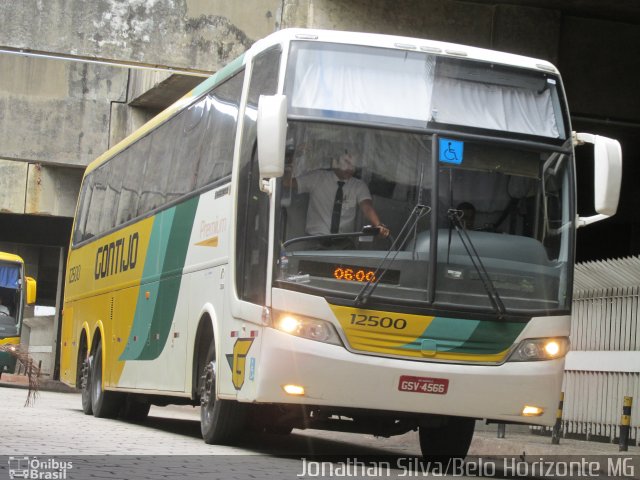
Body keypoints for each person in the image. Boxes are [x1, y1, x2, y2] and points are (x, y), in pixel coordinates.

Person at [287, 150, 390, 238]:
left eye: (353, 165)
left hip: (344, 243)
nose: (350, 168)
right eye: (346, 162)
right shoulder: (317, 178)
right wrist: (290, 159)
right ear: (335, 162)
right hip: (314, 240)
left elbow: (367, 207)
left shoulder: (359, 186)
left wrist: (378, 225)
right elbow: (287, 182)